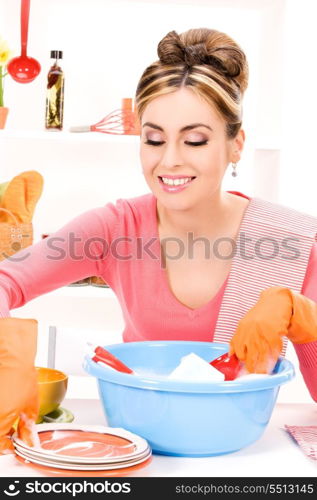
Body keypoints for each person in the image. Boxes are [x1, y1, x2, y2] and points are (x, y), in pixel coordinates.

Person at [0, 28, 317, 451]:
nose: (169, 160)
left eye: (195, 140)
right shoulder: (115, 229)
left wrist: (303, 318)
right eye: (153, 139)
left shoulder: (292, 241)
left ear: (235, 144)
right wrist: (5, 357)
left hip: (239, 451)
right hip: (138, 443)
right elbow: (9, 280)